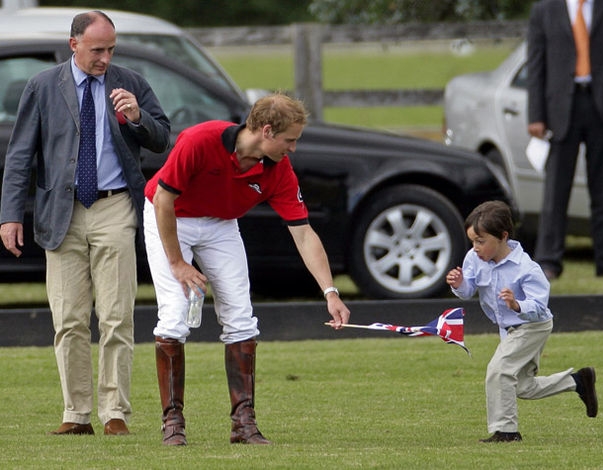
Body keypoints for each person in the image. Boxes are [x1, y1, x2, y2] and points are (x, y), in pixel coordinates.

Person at [144, 92, 351, 446]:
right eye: (290, 140)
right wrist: (178, 263)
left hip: (222, 225)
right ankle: (173, 423)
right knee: (175, 315)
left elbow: (303, 234)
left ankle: (243, 425)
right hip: (169, 216)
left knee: (241, 317)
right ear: (267, 131)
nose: (294, 149)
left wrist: (330, 292)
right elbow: (164, 199)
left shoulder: (279, 169)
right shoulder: (200, 140)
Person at [0, 11, 170, 436]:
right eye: (97, 50)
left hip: (116, 208)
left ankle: (115, 412)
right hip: (61, 212)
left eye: (111, 49)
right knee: (70, 319)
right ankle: (76, 415)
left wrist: (136, 118)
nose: (105, 58)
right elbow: (20, 155)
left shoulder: (130, 82)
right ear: (73, 43)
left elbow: (163, 137)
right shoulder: (42, 86)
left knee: (116, 315)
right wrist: (9, 215)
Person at [446, 200, 597, 443]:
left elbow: (539, 308)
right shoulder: (474, 258)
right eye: (473, 241)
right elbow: (467, 290)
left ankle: (507, 432)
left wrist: (517, 305)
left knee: (499, 370)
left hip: (533, 326)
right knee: (521, 386)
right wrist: (459, 283)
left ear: (503, 236)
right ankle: (577, 381)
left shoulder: (527, 268)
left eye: (480, 241)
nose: (475, 247)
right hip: (509, 329)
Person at [527, 0, 603, 280]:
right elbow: (536, 64)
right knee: (556, 191)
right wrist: (536, 115)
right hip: (560, 110)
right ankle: (549, 261)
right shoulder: (545, 10)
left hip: (602, 108)